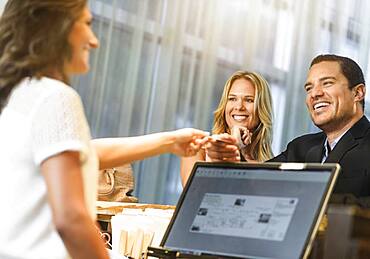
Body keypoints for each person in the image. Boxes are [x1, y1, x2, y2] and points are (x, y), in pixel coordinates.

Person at [0, 1, 208, 259]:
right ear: (55, 26)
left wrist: (171, 141)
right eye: (87, 24)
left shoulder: (20, 95)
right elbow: (71, 219)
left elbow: (85, 153)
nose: (94, 40)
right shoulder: (56, 97)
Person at [207, 54, 370, 201]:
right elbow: (253, 186)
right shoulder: (300, 148)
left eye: (327, 83)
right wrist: (237, 149)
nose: (315, 94)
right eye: (309, 88)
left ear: (358, 93)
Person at [180, 71, 274, 186]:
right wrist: (233, 145)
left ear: (262, 109)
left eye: (249, 100)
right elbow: (194, 193)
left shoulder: (270, 165)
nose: (239, 107)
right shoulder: (197, 148)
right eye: (232, 99)